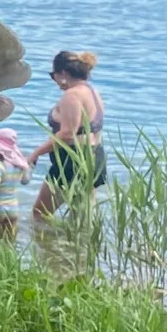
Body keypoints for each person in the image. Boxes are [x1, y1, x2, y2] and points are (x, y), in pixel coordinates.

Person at [29, 50, 108, 221]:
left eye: (53, 75)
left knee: (40, 214)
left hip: (72, 161)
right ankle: (74, 247)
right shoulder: (94, 93)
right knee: (80, 218)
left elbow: (66, 134)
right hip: (95, 157)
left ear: (63, 73)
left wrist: (36, 153)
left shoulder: (72, 96)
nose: (55, 81)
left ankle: (47, 246)